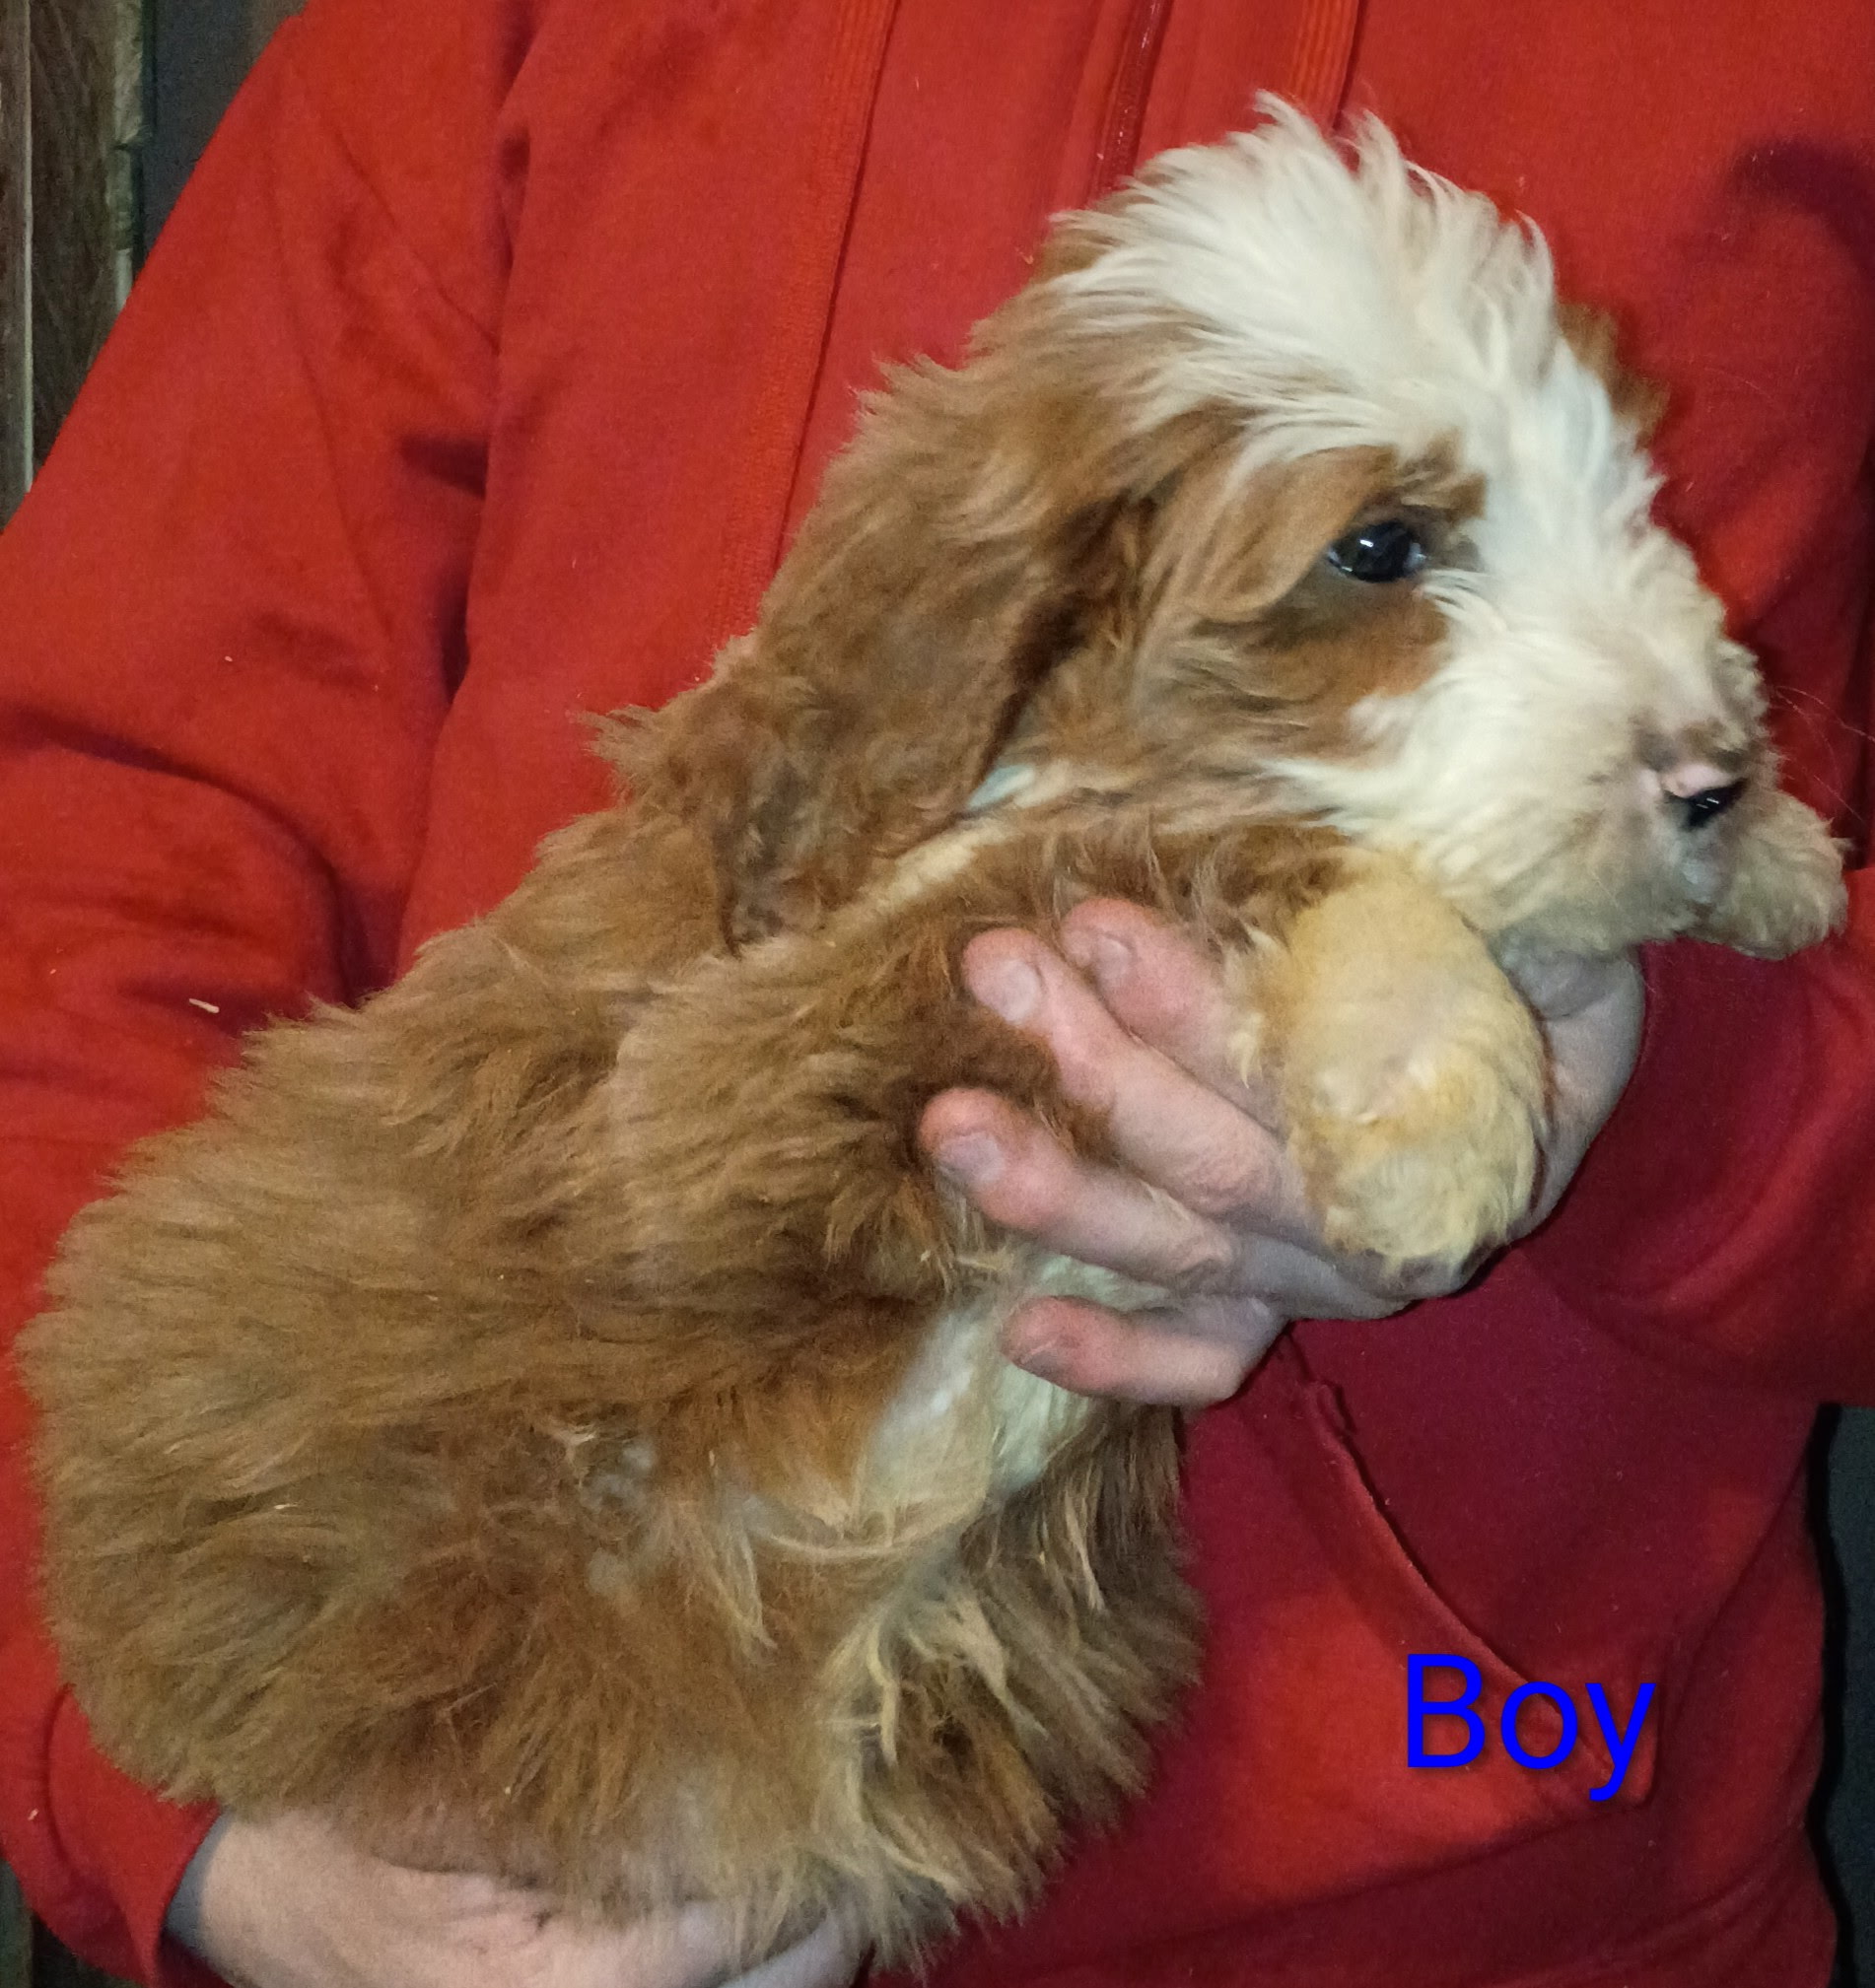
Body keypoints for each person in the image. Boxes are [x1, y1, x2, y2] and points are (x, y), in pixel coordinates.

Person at [0, 3, 1870, 1985]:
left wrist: (1673, 1094)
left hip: (1508, 1888)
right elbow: (102, 826)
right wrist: (169, 1783)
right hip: (461, 1741)